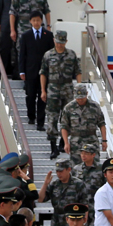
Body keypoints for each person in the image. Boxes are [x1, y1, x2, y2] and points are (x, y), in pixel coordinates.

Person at [40, 30, 82, 159]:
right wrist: (43, 90)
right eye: (58, 42)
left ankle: (62, 143)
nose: (59, 45)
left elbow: (78, 72)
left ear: (66, 42)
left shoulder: (71, 55)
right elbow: (43, 73)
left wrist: (78, 88)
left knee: (67, 117)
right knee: (52, 118)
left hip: (67, 89)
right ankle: (53, 147)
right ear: (54, 41)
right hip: (53, 89)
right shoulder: (48, 55)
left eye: (62, 43)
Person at [17, 10, 55, 128]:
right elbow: (22, 54)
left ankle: (40, 122)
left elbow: (52, 53)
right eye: (34, 20)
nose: (36, 22)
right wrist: (22, 71)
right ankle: (31, 117)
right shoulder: (26, 35)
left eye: (38, 20)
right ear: (30, 22)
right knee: (30, 95)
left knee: (42, 96)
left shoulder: (48, 35)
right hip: (30, 70)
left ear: (41, 21)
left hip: (44, 72)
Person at [38, 159, 88, 226]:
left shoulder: (78, 184)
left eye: (61, 171)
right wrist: (45, 184)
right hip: (57, 223)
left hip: (73, 222)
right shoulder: (54, 185)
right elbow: (40, 199)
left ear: (69, 169)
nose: (59, 174)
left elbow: (85, 206)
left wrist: (84, 224)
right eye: (57, 171)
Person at [59, 83, 107, 165]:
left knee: (94, 167)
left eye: (82, 97)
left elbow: (102, 124)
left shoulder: (94, 106)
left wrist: (104, 140)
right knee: (76, 168)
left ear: (87, 94)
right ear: (74, 95)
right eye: (78, 98)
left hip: (91, 141)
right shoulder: (69, 108)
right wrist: (66, 143)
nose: (80, 100)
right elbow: (64, 126)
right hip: (76, 142)